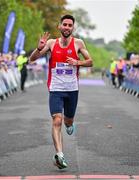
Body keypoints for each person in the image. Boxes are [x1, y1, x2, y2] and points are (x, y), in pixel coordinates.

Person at [29, 14, 93, 169]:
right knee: (56, 120)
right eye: (64, 24)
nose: (67, 27)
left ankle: (70, 123)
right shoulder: (51, 43)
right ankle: (59, 155)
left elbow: (90, 61)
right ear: (59, 26)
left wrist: (77, 62)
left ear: (73, 28)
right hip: (56, 89)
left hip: (72, 90)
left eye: (70, 25)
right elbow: (32, 59)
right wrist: (38, 48)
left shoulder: (78, 43)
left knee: (67, 121)